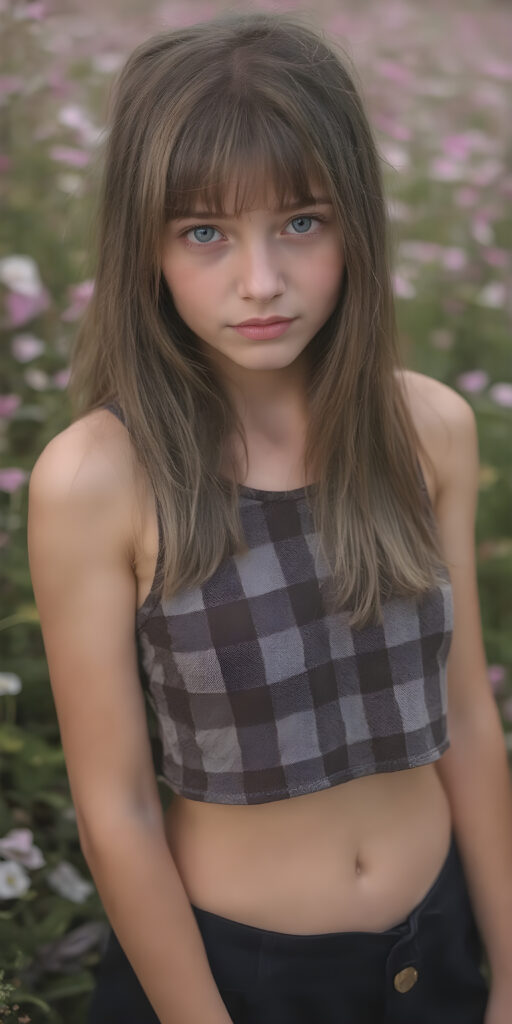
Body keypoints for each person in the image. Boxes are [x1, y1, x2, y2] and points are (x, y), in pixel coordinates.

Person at [26, 9, 512, 1024]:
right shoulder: (98, 479)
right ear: (144, 247)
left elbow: (464, 717)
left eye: (300, 221)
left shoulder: (427, 428)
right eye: (204, 232)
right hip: (233, 979)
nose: (260, 282)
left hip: (444, 947)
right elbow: (113, 807)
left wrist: (509, 975)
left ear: (355, 224)